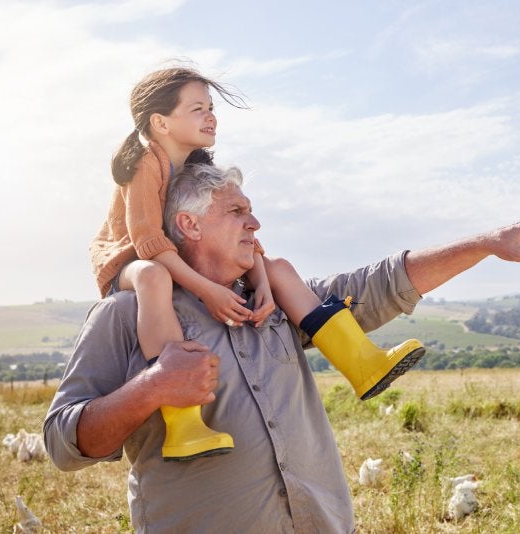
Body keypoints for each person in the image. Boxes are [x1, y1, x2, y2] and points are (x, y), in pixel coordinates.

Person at [45, 162, 520, 532]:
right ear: (188, 224)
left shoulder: (277, 299)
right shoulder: (126, 315)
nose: (255, 223)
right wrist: (152, 388)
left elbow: (382, 283)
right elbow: (63, 443)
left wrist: (485, 243)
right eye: (237, 212)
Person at [89, 66, 425, 461]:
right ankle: (184, 423)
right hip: (129, 262)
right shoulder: (146, 162)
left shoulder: (197, 168)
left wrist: (262, 280)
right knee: (153, 278)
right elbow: (147, 242)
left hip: (172, 255)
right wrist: (208, 289)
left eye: (211, 107)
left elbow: (238, 233)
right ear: (160, 122)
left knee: (280, 266)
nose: (211, 116)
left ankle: (361, 362)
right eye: (198, 108)